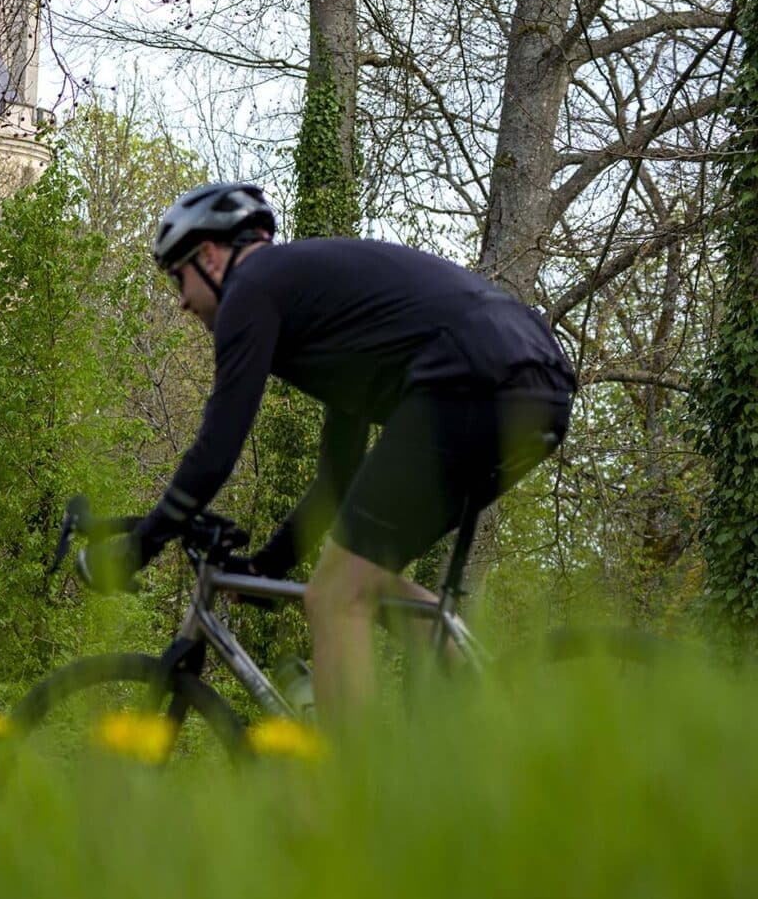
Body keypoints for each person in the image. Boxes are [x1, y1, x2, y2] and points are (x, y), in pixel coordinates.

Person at [88, 181, 576, 721]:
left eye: (177, 278)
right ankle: (512, 737)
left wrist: (144, 541)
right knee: (364, 578)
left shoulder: (251, 288)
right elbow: (337, 476)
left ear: (208, 256)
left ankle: (354, 791)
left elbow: (218, 445)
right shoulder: (325, 306)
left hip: (469, 381)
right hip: (536, 388)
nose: (180, 301)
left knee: (335, 596)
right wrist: (272, 565)